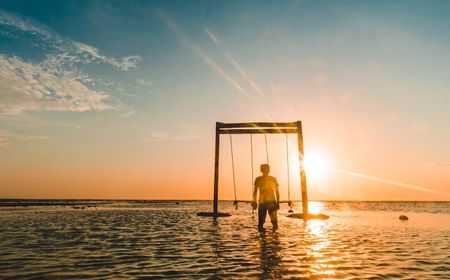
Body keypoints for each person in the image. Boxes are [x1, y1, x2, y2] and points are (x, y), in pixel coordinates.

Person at [252, 164, 280, 230]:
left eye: (268, 168)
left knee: (274, 222)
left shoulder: (273, 179)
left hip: (272, 202)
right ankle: (262, 238)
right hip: (262, 203)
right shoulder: (258, 179)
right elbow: (255, 192)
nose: (267, 170)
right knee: (260, 223)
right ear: (261, 170)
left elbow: (277, 191)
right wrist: (254, 202)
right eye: (265, 168)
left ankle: (275, 238)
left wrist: (277, 203)